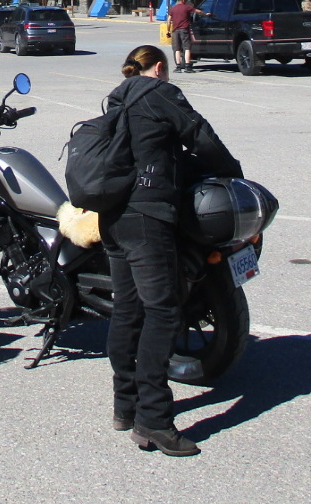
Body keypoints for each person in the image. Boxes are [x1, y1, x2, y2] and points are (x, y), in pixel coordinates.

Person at [100, 44, 243, 457]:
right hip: (147, 217)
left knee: (128, 310)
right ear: (160, 68)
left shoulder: (116, 99)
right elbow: (200, 136)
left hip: (112, 218)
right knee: (162, 313)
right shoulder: (160, 93)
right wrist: (233, 172)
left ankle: (125, 406)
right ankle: (154, 420)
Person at [166, 0, 199, 72]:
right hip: (184, 30)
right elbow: (197, 11)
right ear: (183, 0)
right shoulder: (186, 7)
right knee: (187, 48)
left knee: (177, 49)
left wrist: (168, 30)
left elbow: (169, 20)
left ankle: (178, 67)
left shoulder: (173, 9)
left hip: (175, 31)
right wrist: (205, 14)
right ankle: (187, 67)